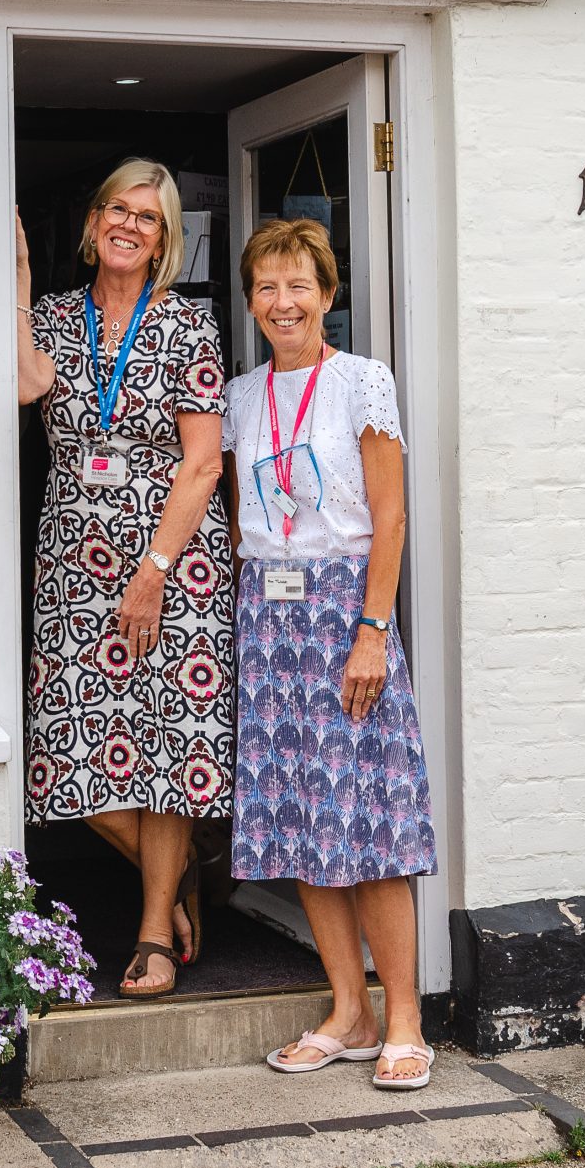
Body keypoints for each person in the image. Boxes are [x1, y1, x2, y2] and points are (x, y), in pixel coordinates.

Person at [225, 217, 438, 1090]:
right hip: (269, 617)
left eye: (298, 285)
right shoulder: (241, 396)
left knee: (371, 821)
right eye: (267, 286)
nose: (283, 302)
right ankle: (350, 1012)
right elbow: (241, 511)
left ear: (327, 293)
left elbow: (390, 517)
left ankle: (405, 1019)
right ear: (251, 300)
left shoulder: (361, 382)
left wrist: (372, 631)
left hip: (345, 612)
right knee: (300, 819)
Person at [16, 159, 234, 1000]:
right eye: (117, 208)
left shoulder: (188, 326)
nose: (128, 225)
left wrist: (154, 571)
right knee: (62, 753)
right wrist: (19, 269)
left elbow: (204, 463)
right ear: (93, 221)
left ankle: (153, 936)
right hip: (74, 562)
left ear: (164, 237)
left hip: (172, 561)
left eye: (147, 216)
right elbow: (27, 383)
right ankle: (178, 876)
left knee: (165, 747)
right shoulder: (53, 316)